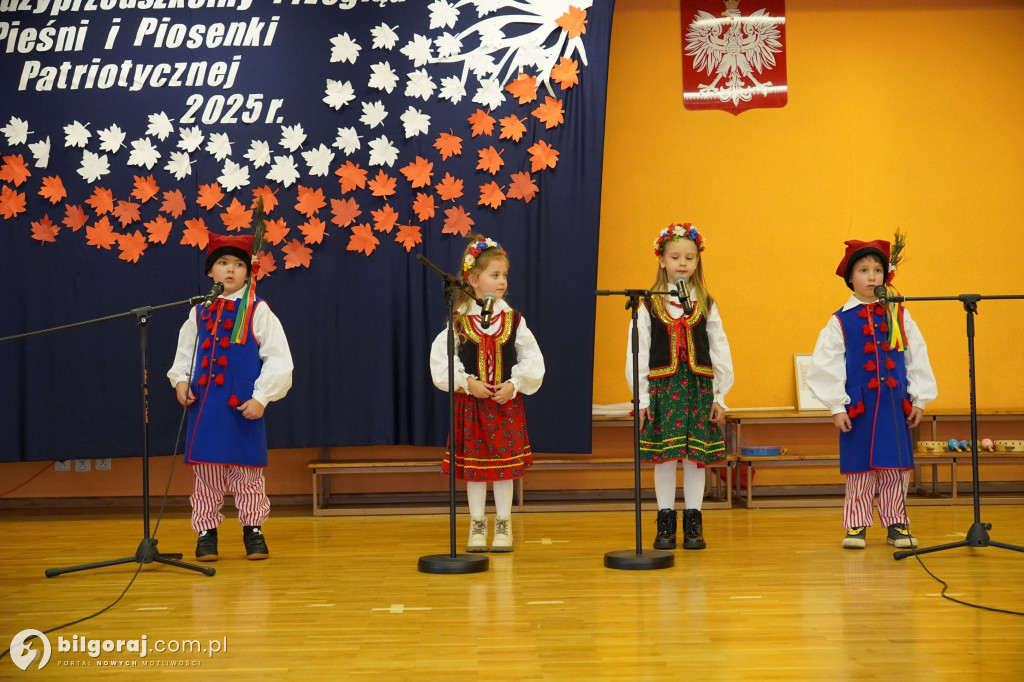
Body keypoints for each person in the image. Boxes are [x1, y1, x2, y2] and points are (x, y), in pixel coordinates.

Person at [167, 233, 293, 561]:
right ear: (211, 271)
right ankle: (206, 533)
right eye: (223, 263)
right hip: (206, 407)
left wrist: (262, 398)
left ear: (248, 273)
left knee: (247, 474)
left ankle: (253, 531)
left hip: (241, 408)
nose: (230, 270)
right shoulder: (199, 313)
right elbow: (185, 355)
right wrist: (180, 381)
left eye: (238, 264)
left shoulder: (258, 311)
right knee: (207, 475)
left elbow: (279, 359)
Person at [806, 238, 937, 549]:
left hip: (894, 404)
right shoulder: (840, 320)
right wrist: (837, 406)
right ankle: (856, 524)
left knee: (897, 467)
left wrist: (920, 398)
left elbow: (916, 356)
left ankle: (896, 523)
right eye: (863, 270)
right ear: (850, 277)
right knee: (859, 469)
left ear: (886, 276)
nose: (871, 276)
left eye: (877, 270)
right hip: (860, 406)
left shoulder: (900, 315)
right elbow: (826, 365)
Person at [429, 235, 545, 553]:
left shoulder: (513, 321)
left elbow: (532, 361)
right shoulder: (460, 321)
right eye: (495, 275)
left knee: (504, 469)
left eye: (504, 275)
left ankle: (504, 525)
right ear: (473, 279)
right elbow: (442, 364)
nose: (502, 281)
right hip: (472, 406)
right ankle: (477, 526)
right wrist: (468, 382)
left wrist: (513, 385)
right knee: (476, 472)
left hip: (504, 405)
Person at [627, 223, 733, 550]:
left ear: (698, 262)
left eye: (689, 257)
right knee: (665, 457)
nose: (683, 263)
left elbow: (719, 348)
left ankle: (693, 524)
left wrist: (721, 396)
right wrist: (641, 398)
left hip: (698, 389)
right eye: (675, 257)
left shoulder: (706, 304)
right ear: (662, 260)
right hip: (664, 390)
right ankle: (664, 523)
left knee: (694, 458)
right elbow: (639, 352)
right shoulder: (649, 305)